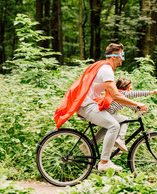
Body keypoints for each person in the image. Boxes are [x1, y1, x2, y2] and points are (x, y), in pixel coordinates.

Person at [54, 43, 148, 172]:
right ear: (114, 56)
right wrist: (137, 104)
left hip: (89, 104)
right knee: (114, 125)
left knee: (121, 119)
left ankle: (90, 146)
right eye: (122, 55)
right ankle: (104, 162)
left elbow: (115, 95)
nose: (123, 58)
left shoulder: (105, 67)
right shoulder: (106, 69)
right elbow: (116, 95)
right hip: (87, 106)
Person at [91, 78, 157, 152]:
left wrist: (139, 109)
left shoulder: (122, 98)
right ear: (127, 87)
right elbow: (136, 93)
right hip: (107, 113)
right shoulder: (122, 93)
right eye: (131, 88)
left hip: (105, 113)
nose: (131, 90)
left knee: (111, 126)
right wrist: (151, 92)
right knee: (125, 120)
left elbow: (130, 105)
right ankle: (120, 139)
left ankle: (91, 144)